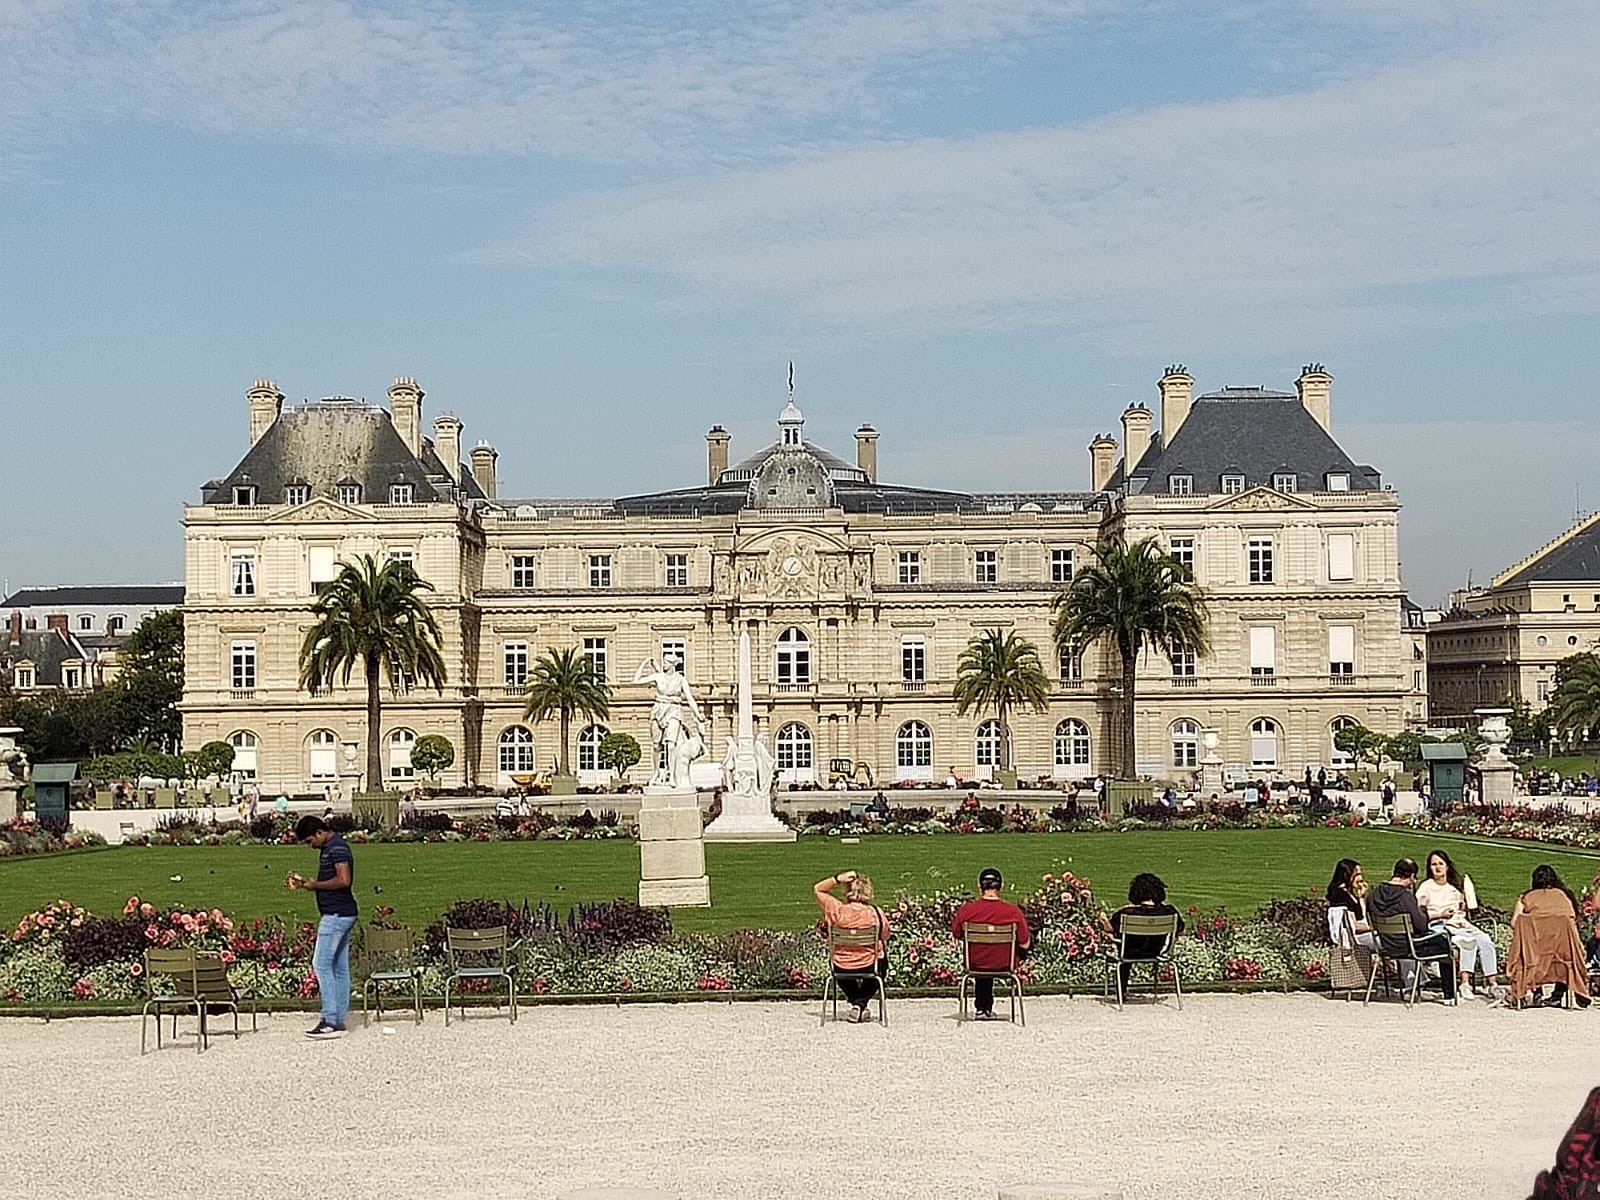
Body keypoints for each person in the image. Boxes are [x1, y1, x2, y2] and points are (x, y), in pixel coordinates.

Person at [286, 815, 359, 1038]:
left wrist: (314, 885)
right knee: (338, 965)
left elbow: (344, 880)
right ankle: (337, 1018)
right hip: (344, 912)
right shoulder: (332, 847)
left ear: (319, 833)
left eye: (310, 841)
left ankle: (329, 1020)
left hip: (336, 914)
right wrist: (305, 883)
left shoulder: (336, 849)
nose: (310, 846)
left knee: (321, 964)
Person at [1415, 849, 1503, 1001]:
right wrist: (1441, 913)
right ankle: (1465, 982)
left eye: (1440, 864)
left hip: (1460, 922)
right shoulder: (1426, 887)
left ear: (1447, 866)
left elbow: (1466, 909)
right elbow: (1421, 911)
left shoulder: (1454, 887)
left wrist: (1465, 906)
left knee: (1485, 940)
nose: (1437, 868)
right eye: (1433, 864)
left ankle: (1492, 982)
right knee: (1467, 942)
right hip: (1439, 923)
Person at [1368, 858, 1456, 1000]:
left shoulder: (1374, 894)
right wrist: (1423, 909)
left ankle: (1420, 985)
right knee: (1443, 941)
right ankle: (1449, 994)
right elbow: (1421, 926)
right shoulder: (1405, 897)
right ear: (1411, 876)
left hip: (1385, 944)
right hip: (1407, 946)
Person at [951, 868, 1031, 1020]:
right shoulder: (1012, 912)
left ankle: (983, 1008)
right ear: (1001, 886)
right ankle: (985, 1007)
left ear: (979, 886)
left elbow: (957, 933)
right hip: (1004, 963)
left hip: (975, 962)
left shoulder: (967, 910)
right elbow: (1025, 943)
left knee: (983, 953)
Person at [1508, 865, 1591, 1009]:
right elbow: (1572, 922)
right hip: (1562, 951)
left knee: (1528, 953)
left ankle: (1537, 991)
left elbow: (1515, 923)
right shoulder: (1564, 896)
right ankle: (1558, 995)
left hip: (1534, 951)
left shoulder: (1526, 897)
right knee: (1566, 956)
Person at [812, 870, 888, 1023]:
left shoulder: (836, 910)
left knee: (839, 966)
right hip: (869, 964)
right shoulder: (876, 913)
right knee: (882, 964)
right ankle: (860, 1004)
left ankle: (856, 1004)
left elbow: (818, 889)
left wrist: (837, 878)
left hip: (842, 965)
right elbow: (885, 935)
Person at [1099, 873, 1185, 996]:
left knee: (1123, 951)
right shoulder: (1170, 912)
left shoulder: (1127, 913)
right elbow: (1180, 930)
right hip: (1157, 952)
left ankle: (1121, 991)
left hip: (1130, 952)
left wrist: (1103, 920)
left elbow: (1110, 929)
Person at [1325, 858, 1375, 950]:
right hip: (1353, 939)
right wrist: (1374, 927)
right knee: (1388, 941)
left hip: (1359, 935)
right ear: (1346, 875)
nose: (1361, 878)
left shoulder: (1349, 893)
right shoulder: (1340, 897)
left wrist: (1361, 897)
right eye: (1357, 875)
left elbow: (1361, 917)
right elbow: (1354, 926)